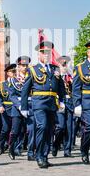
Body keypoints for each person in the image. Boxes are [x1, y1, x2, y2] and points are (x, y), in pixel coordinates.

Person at [21, 41, 65, 169]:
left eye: (48, 52)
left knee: (49, 130)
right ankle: (39, 155)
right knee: (42, 127)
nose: (46, 55)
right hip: (39, 102)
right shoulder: (33, 70)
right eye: (43, 52)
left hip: (52, 103)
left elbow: (60, 87)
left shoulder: (54, 69)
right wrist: (24, 107)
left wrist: (61, 100)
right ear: (39, 54)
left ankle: (45, 156)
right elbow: (25, 89)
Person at [8, 56, 32, 160]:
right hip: (17, 108)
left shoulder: (32, 77)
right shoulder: (13, 80)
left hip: (30, 106)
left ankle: (31, 152)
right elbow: (12, 95)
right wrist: (19, 105)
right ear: (18, 66)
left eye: (26, 65)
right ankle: (11, 148)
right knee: (16, 131)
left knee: (31, 130)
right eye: (23, 65)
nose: (25, 67)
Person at [52, 55, 74, 157]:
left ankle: (67, 150)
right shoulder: (55, 77)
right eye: (62, 64)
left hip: (70, 103)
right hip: (59, 103)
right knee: (61, 127)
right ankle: (56, 145)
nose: (64, 66)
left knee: (69, 128)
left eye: (65, 64)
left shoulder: (71, 77)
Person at [0, 64, 16, 155]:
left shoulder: (18, 83)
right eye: (12, 72)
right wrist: (0, 106)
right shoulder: (2, 85)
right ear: (8, 73)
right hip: (5, 109)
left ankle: (14, 148)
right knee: (5, 129)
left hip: (16, 108)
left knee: (15, 129)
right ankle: (1, 146)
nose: (14, 73)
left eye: (15, 71)